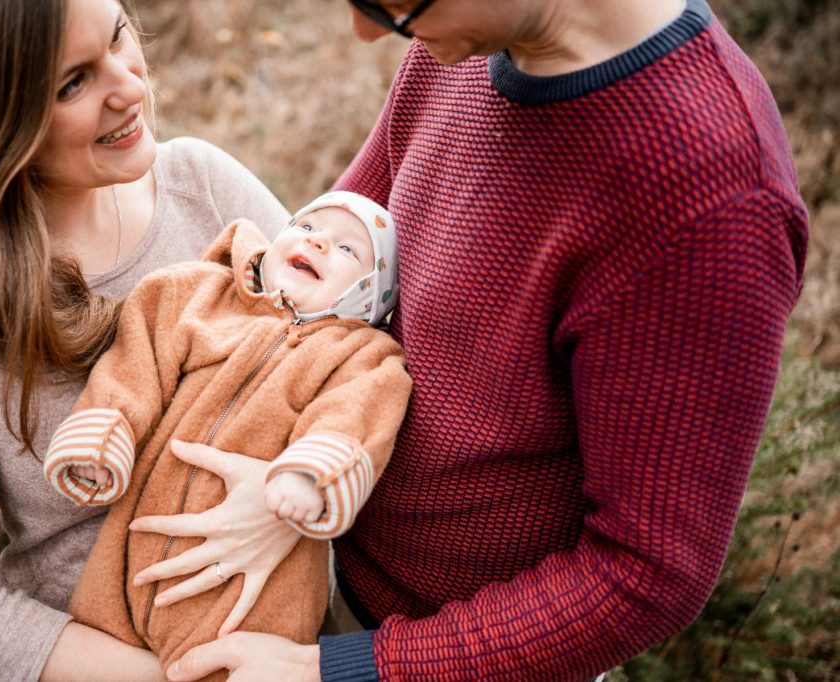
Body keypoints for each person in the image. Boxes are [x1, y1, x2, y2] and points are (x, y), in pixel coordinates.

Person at [124, 0, 811, 680]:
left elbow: (643, 574)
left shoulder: (711, 204)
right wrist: (276, 480)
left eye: (390, 0)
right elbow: (327, 283)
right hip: (311, 559)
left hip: (435, 653)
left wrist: (342, 670)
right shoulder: (463, 42)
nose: (367, 31)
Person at [0, 0, 296, 679]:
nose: (131, 86)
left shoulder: (205, 186)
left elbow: (344, 351)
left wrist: (293, 489)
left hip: (300, 632)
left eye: (118, 36)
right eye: (72, 83)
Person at [41, 192, 410, 672]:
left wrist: (311, 475)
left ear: (370, 295)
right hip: (131, 555)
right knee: (99, 642)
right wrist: (105, 433)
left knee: (232, 664)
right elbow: (137, 363)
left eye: (347, 250)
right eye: (308, 226)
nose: (319, 242)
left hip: (250, 597)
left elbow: (355, 414)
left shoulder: (359, 357)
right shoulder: (198, 295)